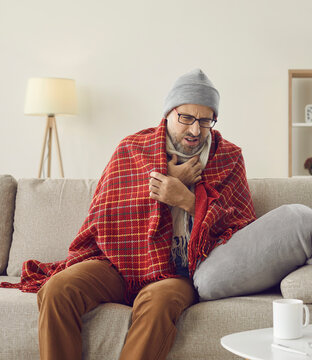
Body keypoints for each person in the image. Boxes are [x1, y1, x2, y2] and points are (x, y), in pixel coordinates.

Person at [0, 69, 257, 359]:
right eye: (186, 117)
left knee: (158, 303)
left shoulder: (229, 157)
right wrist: (166, 175)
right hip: (118, 262)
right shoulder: (132, 148)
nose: (195, 130)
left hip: (179, 272)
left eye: (206, 120)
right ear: (168, 113)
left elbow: (240, 228)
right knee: (58, 289)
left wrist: (186, 199)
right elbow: (106, 212)